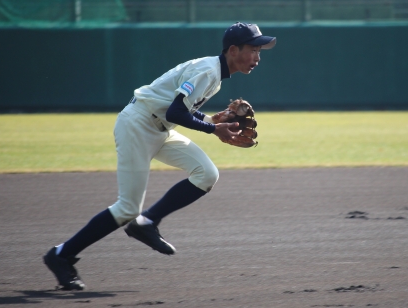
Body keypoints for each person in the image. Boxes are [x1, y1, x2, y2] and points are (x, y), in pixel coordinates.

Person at [43, 22, 277, 290]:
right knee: (127, 209)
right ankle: (61, 255)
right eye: (253, 50)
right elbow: (175, 112)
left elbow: (179, 107)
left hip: (160, 128)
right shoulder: (208, 71)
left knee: (206, 174)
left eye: (260, 52)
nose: (257, 57)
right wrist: (213, 130)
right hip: (138, 126)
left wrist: (210, 120)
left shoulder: (214, 73)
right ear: (233, 50)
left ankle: (147, 222)